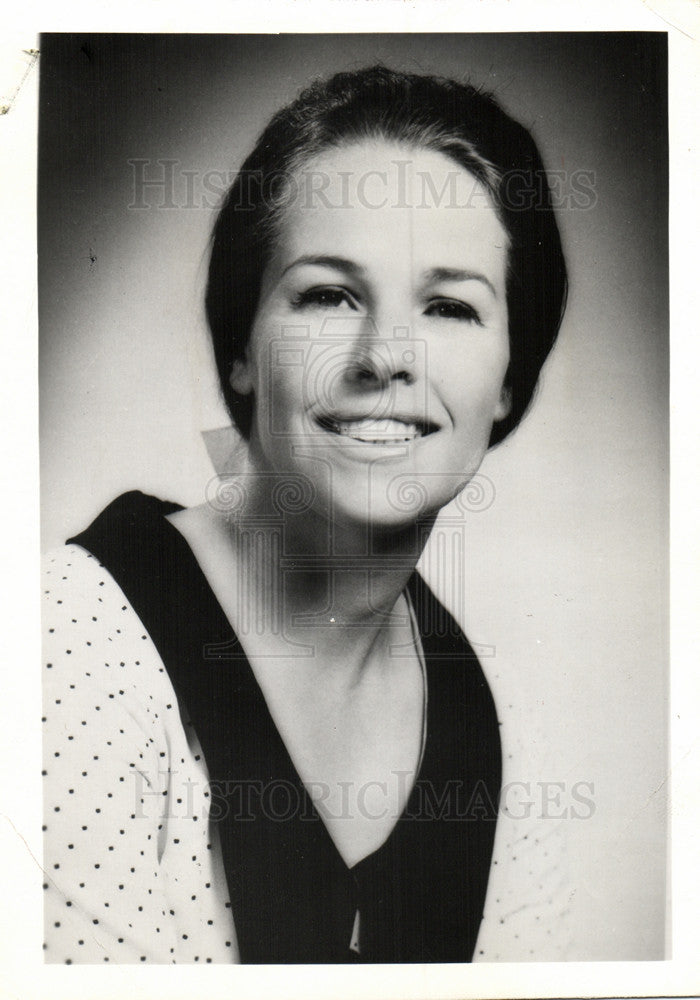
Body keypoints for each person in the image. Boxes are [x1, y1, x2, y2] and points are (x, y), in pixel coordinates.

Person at [41, 65, 567, 964]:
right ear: (242, 344)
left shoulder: (489, 718)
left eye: (449, 306)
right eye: (328, 295)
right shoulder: (61, 649)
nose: (385, 358)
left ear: (511, 380)